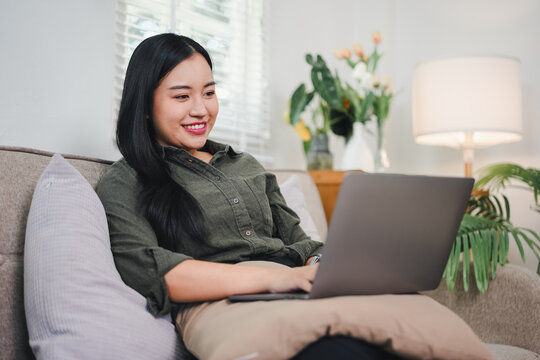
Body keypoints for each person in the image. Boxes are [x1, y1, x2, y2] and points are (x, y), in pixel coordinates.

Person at [96, 33, 403, 360]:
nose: (201, 109)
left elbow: (300, 241)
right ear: (144, 105)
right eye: (182, 96)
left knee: (397, 335)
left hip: (296, 290)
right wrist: (275, 279)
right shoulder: (127, 181)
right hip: (229, 304)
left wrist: (322, 266)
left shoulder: (246, 165)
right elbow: (151, 272)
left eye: (209, 93)